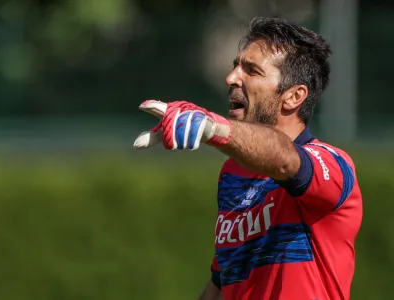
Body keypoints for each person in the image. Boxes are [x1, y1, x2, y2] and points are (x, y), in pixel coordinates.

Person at [133, 17, 363, 300]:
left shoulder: (332, 165)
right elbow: (221, 280)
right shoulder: (233, 172)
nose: (231, 78)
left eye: (251, 70)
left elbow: (284, 159)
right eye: (235, 66)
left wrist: (213, 128)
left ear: (293, 96)